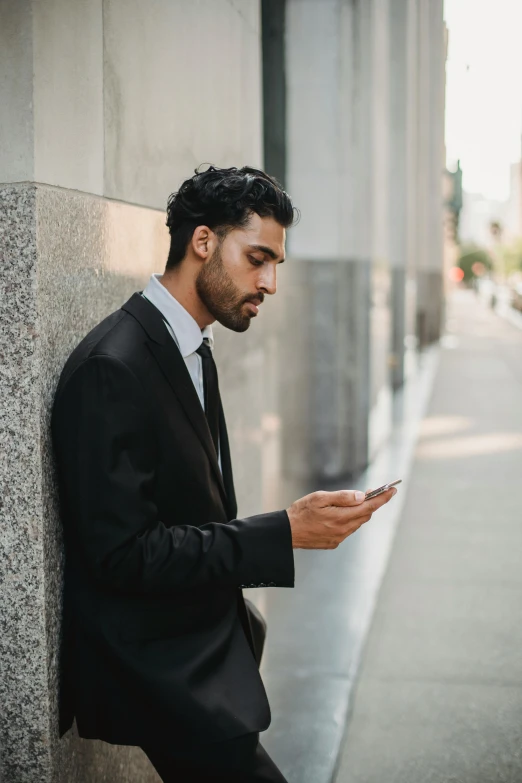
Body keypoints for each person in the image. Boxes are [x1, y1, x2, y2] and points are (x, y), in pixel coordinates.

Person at [51, 165, 397, 782]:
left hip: (205, 649)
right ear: (203, 242)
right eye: (257, 258)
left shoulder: (192, 348)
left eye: (276, 266)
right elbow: (121, 555)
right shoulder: (115, 366)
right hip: (158, 668)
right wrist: (282, 531)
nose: (268, 283)